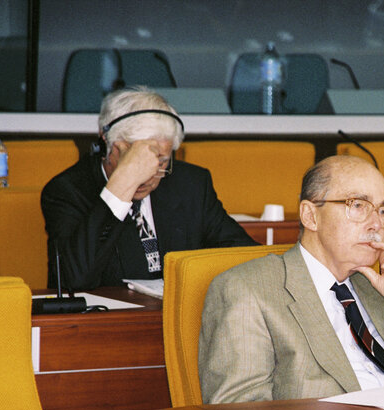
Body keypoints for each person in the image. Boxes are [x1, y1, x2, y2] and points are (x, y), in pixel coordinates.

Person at [199, 155, 384, 403]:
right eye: (358, 205)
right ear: (310, 215)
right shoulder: (248, 291)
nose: (377, 224)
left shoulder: (381, 289)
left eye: (382, 210)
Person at [41, 87, 256, 290]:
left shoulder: (192, 183)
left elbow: (244, 256)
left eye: (160, 162)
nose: (147, 174)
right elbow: (72, 280)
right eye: (133, 159)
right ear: (106, 144)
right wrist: (122, 184)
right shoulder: (66, 191)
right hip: (110, 323)